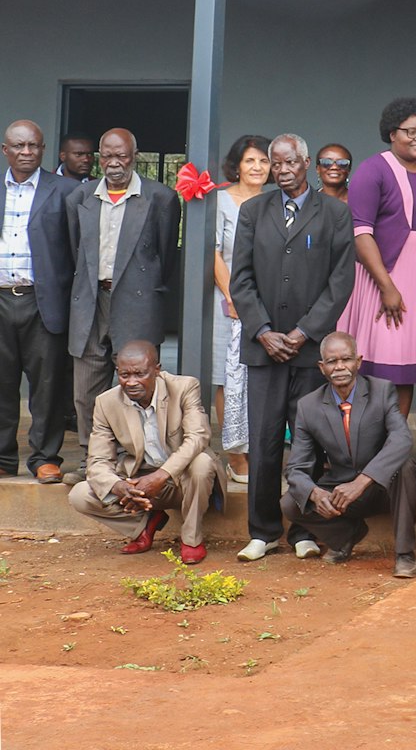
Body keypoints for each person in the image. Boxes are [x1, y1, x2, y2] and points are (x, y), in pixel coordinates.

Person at [228, 134, 356, 562]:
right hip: (264, 348)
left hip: (309, 349)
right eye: (274, 164)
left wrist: (303, 333)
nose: (281, 171)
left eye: (288, 163)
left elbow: (341, 283)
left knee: (308, 443)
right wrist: (263, 330)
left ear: (306, 163)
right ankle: (262, 531)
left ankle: (303, 528)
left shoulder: (335, 213)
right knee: (263, 440)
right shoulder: (252, 210)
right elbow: (240, 279)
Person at [65, 127, 181, 435]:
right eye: (107, 156)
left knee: (140, 388)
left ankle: (139, 457)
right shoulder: (80, 197)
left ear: (135, 157)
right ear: (97, 158)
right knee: (86, 390)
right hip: (91, 302)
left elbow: (166, 257)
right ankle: (95, 460)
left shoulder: (161, 198)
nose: (114, 162)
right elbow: (74, 250)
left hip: (138, 302)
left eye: (121, 155)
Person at [282, 331, 416, 578]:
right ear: (322, 367)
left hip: (382, 486)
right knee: (292, 503)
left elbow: (401, 439)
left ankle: (405, 554)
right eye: (332, 362)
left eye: (346, 359)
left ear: (358, 361)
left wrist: (362, 481)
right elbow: (296, 468)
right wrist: (315, 494)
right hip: (342, 492)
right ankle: (347, 534)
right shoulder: (308, 406)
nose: (340, 367)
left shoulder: (382, 390)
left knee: (406, 467)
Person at [339, 98, 416, 416]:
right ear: (391, 133)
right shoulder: (373, 171)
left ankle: (394, 447)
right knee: (378, 368)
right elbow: (360, 234)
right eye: (410, 131)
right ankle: (363, 445)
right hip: (384, 280)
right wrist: (387, 287)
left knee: (405, 370)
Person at [67, 341, 217, 563]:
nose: (131, 382)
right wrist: (120, 487)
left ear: (157, 369)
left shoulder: (185, 387)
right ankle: (144, 525)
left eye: (140, 374)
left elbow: (198, 437)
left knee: (202, 463)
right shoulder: (106, 402)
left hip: (181, 481)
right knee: (80, 495)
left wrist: (160, 476)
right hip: (139, 485)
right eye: (124, 375)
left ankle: (191, 539)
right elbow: (97, 460)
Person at [0, 120, 78, 483]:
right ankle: (3, 459)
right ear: (6, 150)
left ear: (43, 150)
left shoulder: (65, 189)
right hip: (1, 299)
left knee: (46, 385)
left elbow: (78, 251)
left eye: (33, 146)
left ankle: (45, 457)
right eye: (19, 146)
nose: (26, 153)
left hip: (42, 301)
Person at [211, 133, 271, 484]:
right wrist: (234, 295)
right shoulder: (221, 201)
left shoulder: (276, 202)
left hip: (266, 303)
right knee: (226, 376)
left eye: (264, 161)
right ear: (237, 165)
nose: (257, 167)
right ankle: (235, 454)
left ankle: (258, 450)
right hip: (228, 301)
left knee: (258, 377)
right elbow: (213, 251)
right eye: (250, 160)